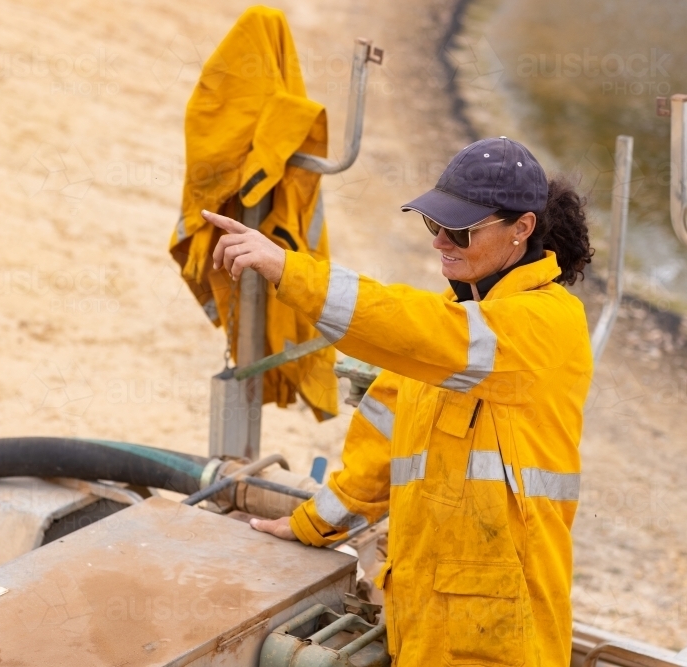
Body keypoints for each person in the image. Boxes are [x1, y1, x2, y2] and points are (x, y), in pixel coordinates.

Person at [202, 136, 594, 666]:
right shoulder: (448, 331)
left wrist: (290, 271)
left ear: (522, 229)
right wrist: (310, 525)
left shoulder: (546, 323)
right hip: (421, 618)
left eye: (459, 230)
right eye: (434, 225)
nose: (440, 243)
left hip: (502, 631)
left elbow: (415, 328)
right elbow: (380, 449)